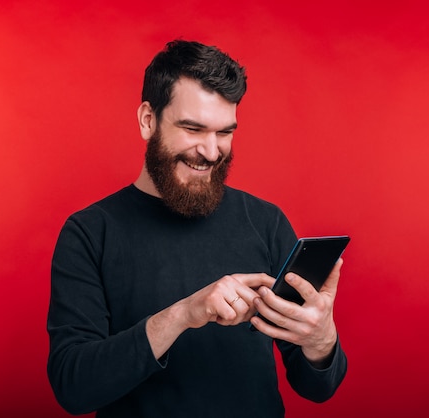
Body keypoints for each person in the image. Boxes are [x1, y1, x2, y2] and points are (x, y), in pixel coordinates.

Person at [47, 40, 347, 417]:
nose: (210, 151)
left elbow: (317, 388)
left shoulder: (266, 222)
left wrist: (321, 340)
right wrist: (183, 314)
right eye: (193, 129)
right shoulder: (89, 233)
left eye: (224, 132)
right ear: (147, 120)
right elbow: (73, 388)